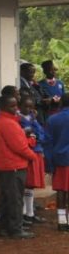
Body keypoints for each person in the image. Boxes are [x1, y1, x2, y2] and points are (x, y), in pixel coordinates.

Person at [0, 94, 36, 239]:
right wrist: (33, 156)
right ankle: (16, 229)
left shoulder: (5, 121)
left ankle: (6, 227)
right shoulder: (8, 123)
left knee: (7, 197)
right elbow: (20, 147)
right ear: (3, 107)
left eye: (16, 105)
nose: (16, 108)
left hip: (7, 166)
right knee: (15, 198)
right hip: (13, 166)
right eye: (12, 106)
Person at [19, 95, 46, 225]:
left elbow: (41, 134)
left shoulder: (33, 119)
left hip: (37, 152)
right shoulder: (18, 120)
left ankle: (30, 213)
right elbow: (23, 138)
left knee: (31, 184)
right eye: (26, 106)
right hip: (28, 153)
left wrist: (36, 135)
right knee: (27, 183)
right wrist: (31, 137)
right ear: (20, 106)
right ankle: (25, 213)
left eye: (31, 107)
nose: (29, 109)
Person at [48, 97, 69, 232]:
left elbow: (47, 142)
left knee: (60, 190)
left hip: (59, 159)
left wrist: (50, 163)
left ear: (61, 103)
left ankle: (62, 221)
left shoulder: (52, 119)